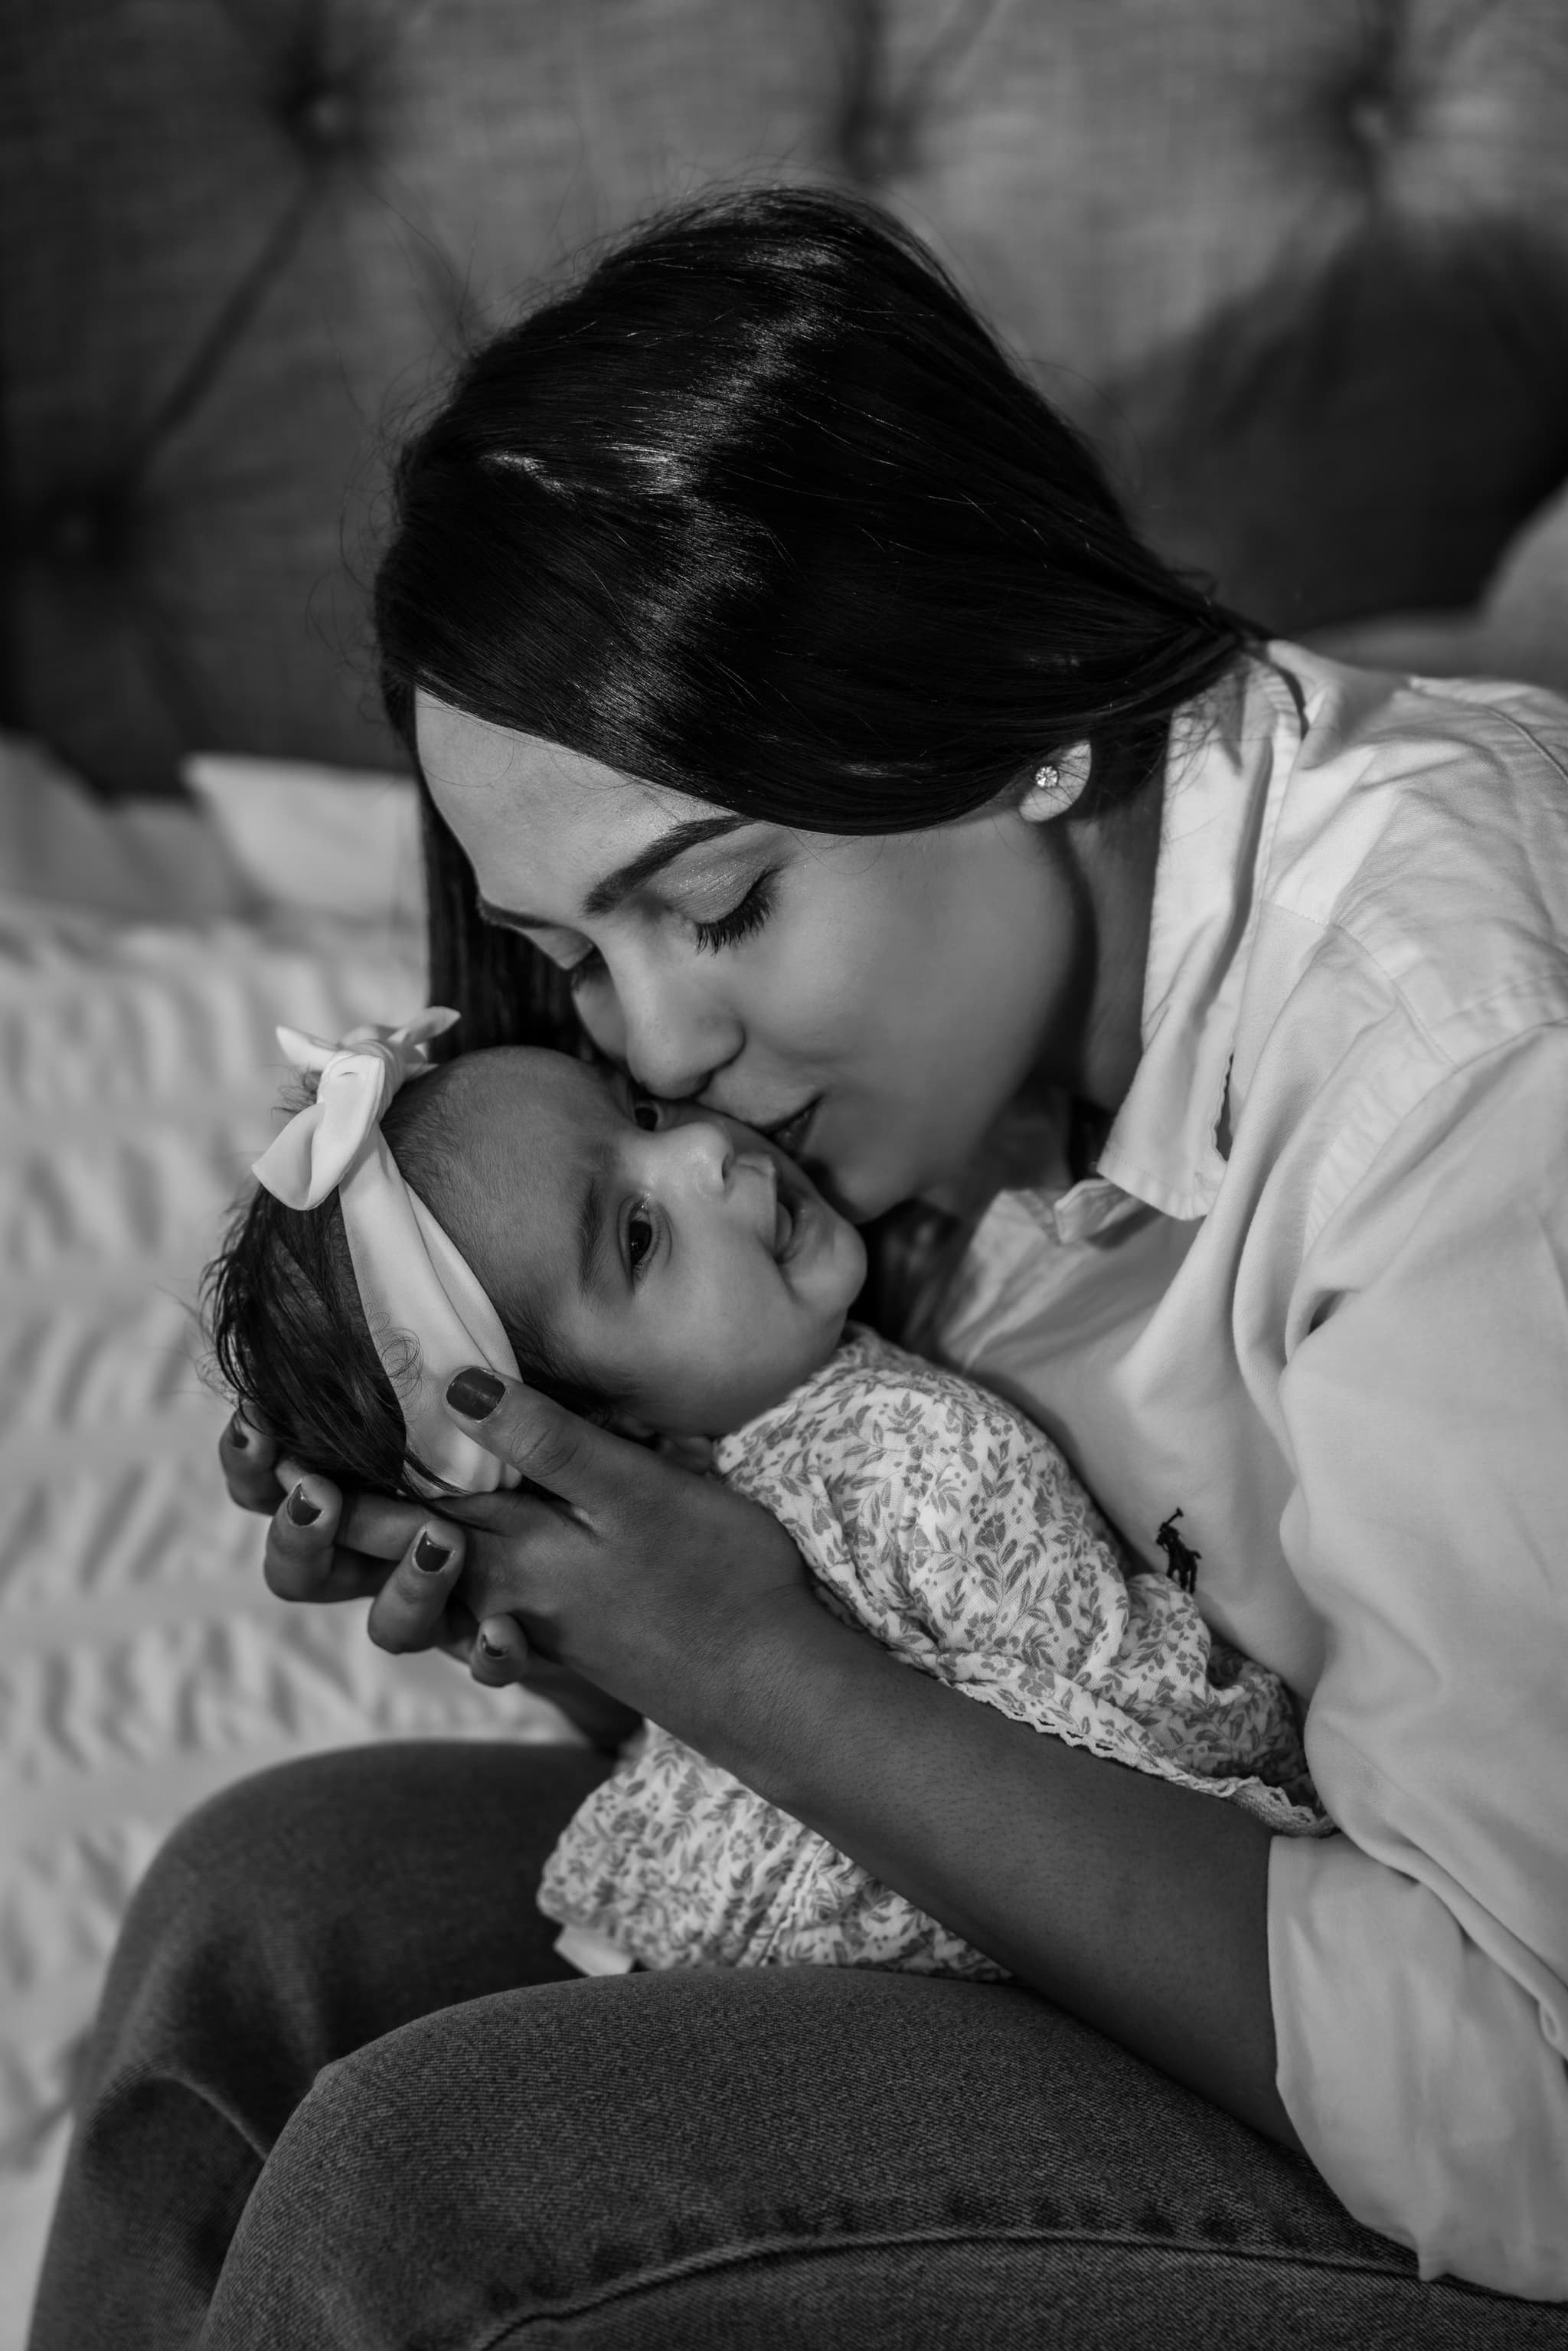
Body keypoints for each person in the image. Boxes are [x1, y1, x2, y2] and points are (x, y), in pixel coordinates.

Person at [28, 187, 1568, 2347]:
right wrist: (587, 1583)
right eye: (573, 956)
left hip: (1486, 2132)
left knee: (434, 2179)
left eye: (721, 906)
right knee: (261, 1912)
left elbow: (1529, 2105)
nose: (655, 1052)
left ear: (1014, 704)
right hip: (1184, 1918)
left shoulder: (1468, 1065)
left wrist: (761, 1674)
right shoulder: (911, 1090)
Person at [208, 1019, 1321, 1983]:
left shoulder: (806, 1456)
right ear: (601, 1435)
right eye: (637, 1237)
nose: (703, 1147)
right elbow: (1167, 1726)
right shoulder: (929, 1450)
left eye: (639, 1108)